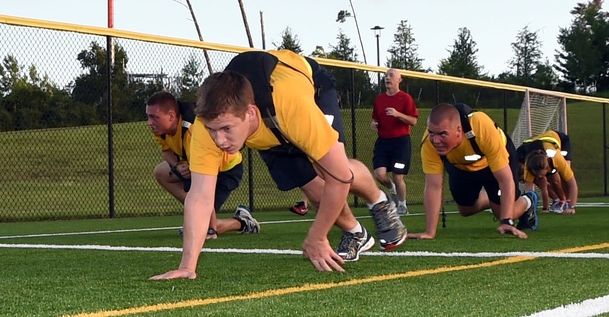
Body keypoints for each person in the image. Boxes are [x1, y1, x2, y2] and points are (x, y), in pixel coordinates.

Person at [149, 50, 407, 280]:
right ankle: (356, 233)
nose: (219, 140)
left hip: (310, 88)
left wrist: (317, 236)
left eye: (226, 129)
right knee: (316, 191)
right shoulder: (208, 127)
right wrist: (187, 266)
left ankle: (379, 201)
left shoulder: (293, 107)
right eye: (213, 130)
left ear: (250, 114)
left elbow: (340, 178)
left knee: (329, 168)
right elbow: (200, 197)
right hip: (268, 126)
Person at [408, 103, 539, 239]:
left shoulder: (482, 128)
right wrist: (430, 232)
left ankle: (529, 199)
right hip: (461, 164)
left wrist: (506, 220)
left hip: (491, 163)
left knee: (502, 212)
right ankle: (492, 198)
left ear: (459, 131)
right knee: (465, 210)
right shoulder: (429, 144)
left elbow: (504, 180)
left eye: (442, 134)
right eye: (431, 133)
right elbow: (433, 187)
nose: (436, 140)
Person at [145, 91, 259, 237]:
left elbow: (204, 182)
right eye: (148, 116)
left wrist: (211, 229)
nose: (149, 122)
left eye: (154, 117)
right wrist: (178, 165)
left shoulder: (192, 133)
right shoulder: (160, 129)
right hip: (196, 166)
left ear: (172, 116)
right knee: (161, 171)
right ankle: (195, 210)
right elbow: (166, 150)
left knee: (200, 226)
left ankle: (242, 222)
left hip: (226, 171)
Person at [371, 68, 420, 215]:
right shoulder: (379, 99)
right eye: (386, 75)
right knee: (379, 174)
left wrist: (397, 114)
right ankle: (392, 189)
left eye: (391, 75)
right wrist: (374, 124)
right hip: (383, 142)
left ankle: (402, 205)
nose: (388, 78)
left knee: (398, 176)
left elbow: (413, 121)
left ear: (399, 80)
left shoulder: (405, 98)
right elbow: (375, 118)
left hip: (400, 143)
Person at [518, 130, 578, 214]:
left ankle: (568, 201)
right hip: (539, 143)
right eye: (536, 175)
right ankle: (558, 200)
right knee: (546, 180)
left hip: (561, 141)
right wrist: (530, 208)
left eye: (541, 174)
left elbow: (572, 183)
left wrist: (572, 207)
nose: (539, 177)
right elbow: (529, 190)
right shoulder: (529, 163)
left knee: (565, 176)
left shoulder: (557, 158)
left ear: (547, 167)